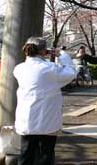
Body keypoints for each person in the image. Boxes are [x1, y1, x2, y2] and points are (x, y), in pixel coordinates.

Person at [14, 37, 76, 165]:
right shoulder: (51, 69)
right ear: (43, 51)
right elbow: (71, 72)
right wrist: (61, 54)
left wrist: (43, 54)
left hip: (26, 120)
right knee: (46, 155)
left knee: (26, 154)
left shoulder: (19, 69)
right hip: (47, 121)